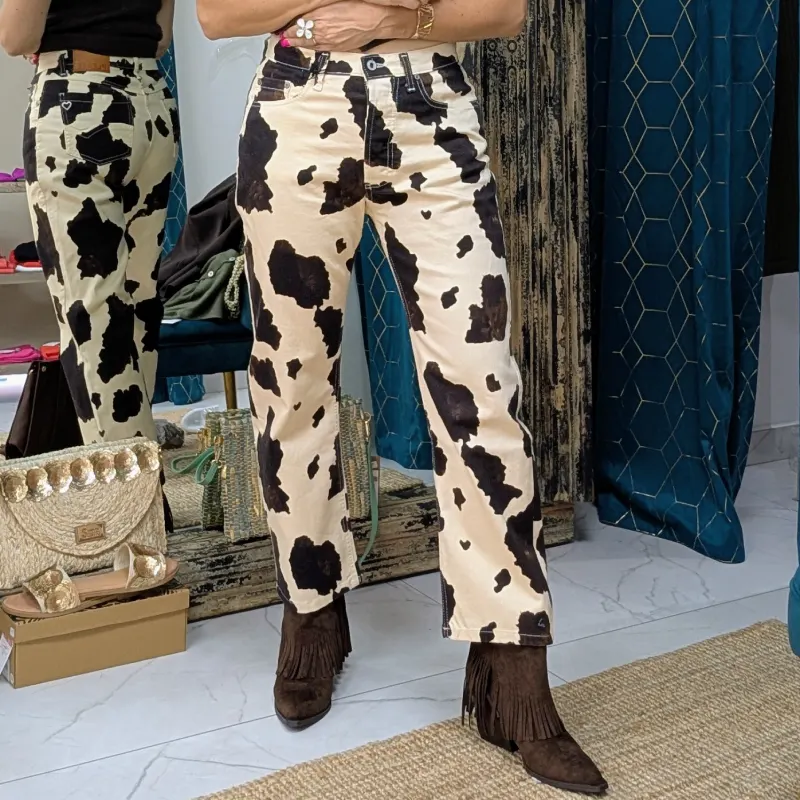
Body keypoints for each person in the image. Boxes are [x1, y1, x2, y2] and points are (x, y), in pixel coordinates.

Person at [198, 0, 607, 793]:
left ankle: (512, 671)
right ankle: (312, 609)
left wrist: (393, 17)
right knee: (291, 382)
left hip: (432, 111)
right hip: (295, 103)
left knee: (482, 390)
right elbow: (220, 13)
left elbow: (503, 11)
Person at [0, 0, 179, 445]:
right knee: (137, 301)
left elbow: (16, 36)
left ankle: (128, 479)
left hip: (76, 104)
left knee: (93, 315)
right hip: (151, 105)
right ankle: (139, 450)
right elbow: (161, 35)